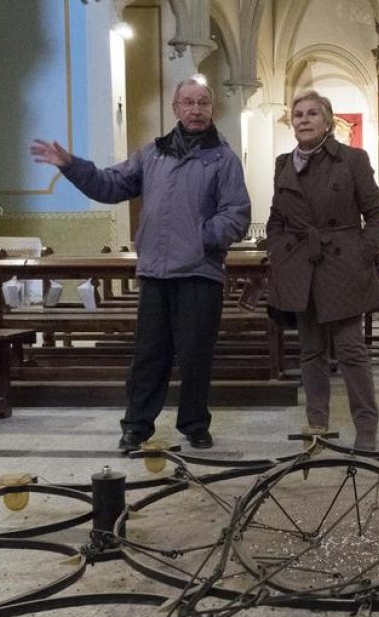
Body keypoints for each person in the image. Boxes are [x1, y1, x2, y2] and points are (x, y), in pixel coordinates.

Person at [30, 78, 250, 451]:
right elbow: (110, 185)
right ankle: (137, 426)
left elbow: (237, 213)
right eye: (188, 103)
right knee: (148, 355)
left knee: (196, 355)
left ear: (211, 109)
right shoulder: (152, 154)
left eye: (202, 103)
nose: (195, 110)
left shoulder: (223, 159)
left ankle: (195, 423)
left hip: (199, 273)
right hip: (155, 273)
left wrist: (201, 239)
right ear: (175, 108)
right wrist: (70, 165)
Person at [266, 90, 379, 451]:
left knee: (351, 349)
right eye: (298, 114)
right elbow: (276, 218)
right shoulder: (283, 163)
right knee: (310, 350)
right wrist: (277, 250)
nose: (303, 119)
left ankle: (365, 425)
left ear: (328, 121)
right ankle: (316, 424)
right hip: (300, 267)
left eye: (312, 113)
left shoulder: (352, 159)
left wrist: (362, 253)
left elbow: (377, 214)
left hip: (341, 265)